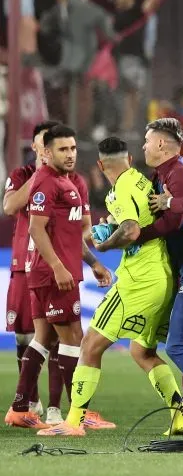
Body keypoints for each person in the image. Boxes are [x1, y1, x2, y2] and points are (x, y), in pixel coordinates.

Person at [38, 137, 183, 438]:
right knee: (142, 352)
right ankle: (180, 417)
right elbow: (136, 221)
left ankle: (73, 422)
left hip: (138, 282)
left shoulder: (119, 190)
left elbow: (132, 229)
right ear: (130, 160)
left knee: (89, 346)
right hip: (163, 277)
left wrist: (105, 243)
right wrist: (113, 226)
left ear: (100, 164)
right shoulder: (139, 180)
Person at [5, 125, 114, 430]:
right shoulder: (46, 183)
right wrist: (57, 266)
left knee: (44, 338)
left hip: (53, 270)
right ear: (46, 152)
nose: (70, 154)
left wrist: (94, 262)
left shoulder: (68, 182)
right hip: (53, 273)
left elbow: (73, 233)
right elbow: (35, 229)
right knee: (72, 340)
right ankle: (76, 416)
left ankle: (19, 408)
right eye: (63, 149)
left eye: (73, 148)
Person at [138, 118, 183, 419]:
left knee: (178, 346)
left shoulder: (179, 173)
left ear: (159, 144)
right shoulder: (163, 174)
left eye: (147, 140)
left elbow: (173, 222)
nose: (144, 146)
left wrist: (134, 236)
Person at [4, 121, 64, 425]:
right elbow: (10, 206)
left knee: (54, 335)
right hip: (21, 265)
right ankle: (31, 401)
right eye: (42, 144)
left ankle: (53, 408)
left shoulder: (66, 179)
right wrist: (39, 176)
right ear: (36, 147)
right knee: (24, 336)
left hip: (53, 264)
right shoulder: (21, 175)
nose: (46, 150)